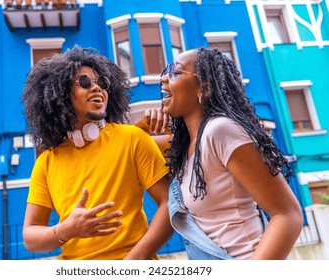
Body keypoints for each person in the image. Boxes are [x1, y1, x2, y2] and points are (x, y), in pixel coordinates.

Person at [137, 47, 303, 260]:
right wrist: (143, 123)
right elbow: (134, 146)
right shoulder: (187, 145)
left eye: (175, 73)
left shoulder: (221, 131)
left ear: (204, 89)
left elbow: (288, 214)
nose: (163, 79)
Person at [21, 45, 174, 260]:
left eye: (102, 83)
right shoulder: (46, 162)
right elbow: (30, 237)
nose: (97, 88)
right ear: (62, 94)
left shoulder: (132, 138)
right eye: (85, 82)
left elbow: (170, 203)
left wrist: (134, 261)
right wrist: (66, 230)